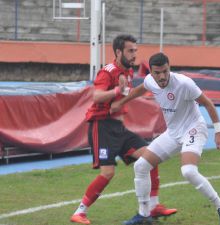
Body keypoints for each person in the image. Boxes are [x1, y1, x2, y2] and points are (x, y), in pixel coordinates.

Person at [111, 52, 220, 225]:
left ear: (169, 68)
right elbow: (140, 90)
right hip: (173, 132)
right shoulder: (150, 81)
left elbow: (208, 103)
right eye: (157, 73)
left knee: (188, 171)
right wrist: (121, 102)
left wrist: (218, 131)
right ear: (151, 72)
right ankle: (144, 215)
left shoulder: (184, 83)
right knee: (141, 166)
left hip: (193, 128)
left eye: (165, 71)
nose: (162, 76)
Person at [70, 35, 177, 225]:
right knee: (107, 173)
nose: (134, 54)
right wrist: (117, 92)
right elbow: (97, 96)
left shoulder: (127, 72)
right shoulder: (108, 71)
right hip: (101, 127)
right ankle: (80, 212)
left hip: (119, 128)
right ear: (118, 52)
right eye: (130, 51)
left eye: (135, 50)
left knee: (151, 157)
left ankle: (153, 206)